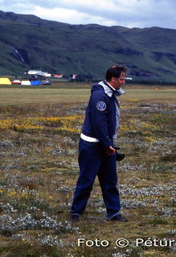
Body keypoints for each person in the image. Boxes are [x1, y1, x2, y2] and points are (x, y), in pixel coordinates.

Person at [71, 65, 128, 222]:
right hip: (92, 145)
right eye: (122, 79)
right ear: (113, 79)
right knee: (86, 180)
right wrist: (106, 145)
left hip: (105, 144)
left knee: (110, 180)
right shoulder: (99, 96)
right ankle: (76, 212)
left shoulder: (110, 94)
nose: (123, 82)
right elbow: (99, 123)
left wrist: (108, 144)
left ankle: (114, 212)